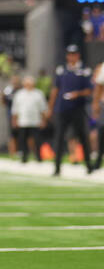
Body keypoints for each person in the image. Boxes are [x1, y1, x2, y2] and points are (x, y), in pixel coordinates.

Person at [46, 45, 95, 177]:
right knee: (59, 137)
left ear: (78, 55)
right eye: (69, 54)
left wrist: (77, 94)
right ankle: (57, 168)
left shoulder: (84, 70)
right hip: (62, 109)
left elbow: (90, 90)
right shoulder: (61, 70)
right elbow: (55, 90)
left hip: (78, 108)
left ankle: (89, 165)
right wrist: (50, 108)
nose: (72, 56)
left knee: (83, 136)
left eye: (74, 54)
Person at [11, 75, 46, 163]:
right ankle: (24, 157)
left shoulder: (38, 94)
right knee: (22, 140)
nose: (28, 85)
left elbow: (42, 108)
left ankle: (38, 157)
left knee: (37, 140)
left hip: (35, 121)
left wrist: (43, 120)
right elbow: (15, 109)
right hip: (23, 121)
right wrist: (14, 120)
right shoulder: (19, 94)